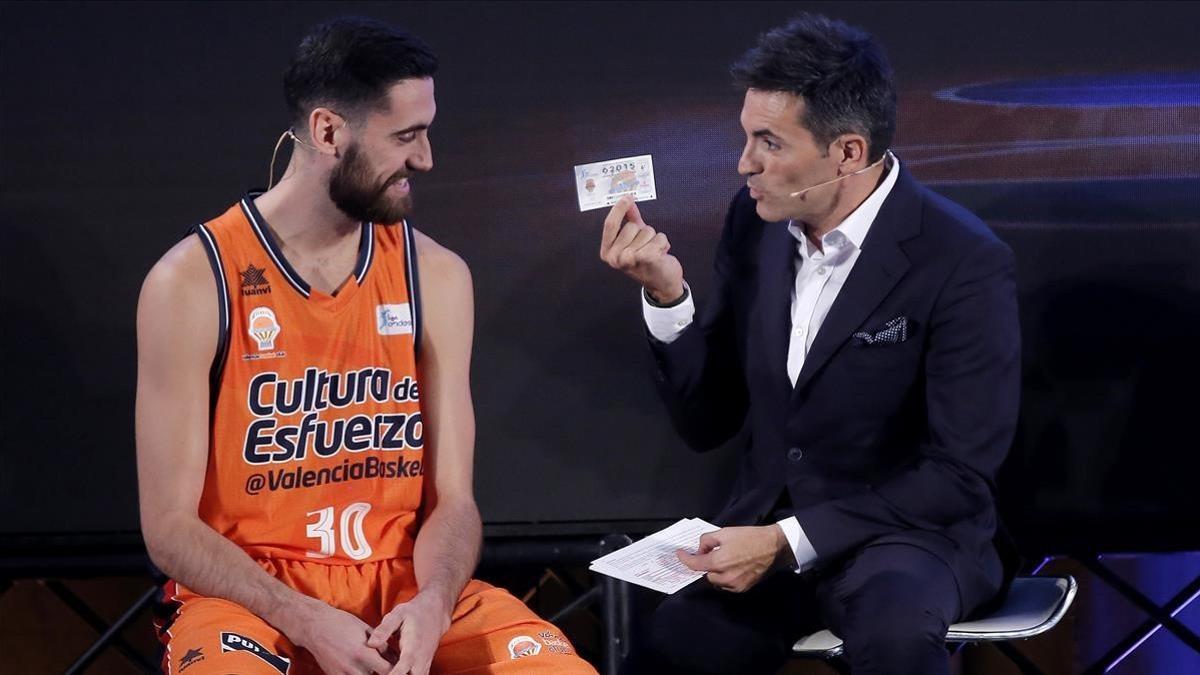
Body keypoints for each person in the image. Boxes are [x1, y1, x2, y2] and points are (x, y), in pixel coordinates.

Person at [136, 17, 595, 675]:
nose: (427, 158)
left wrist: (435, 602)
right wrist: (300, 615)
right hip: (250, 596)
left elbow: (454, 501)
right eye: (406, 136)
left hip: (404, 590)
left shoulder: (435, 274)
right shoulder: (191, 280)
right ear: (328, 131)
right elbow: (170, 528)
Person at [599, 13, 1019, 675]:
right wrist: (667, 296)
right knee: (676, 637)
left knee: (897, 633)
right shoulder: (755, 221)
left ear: (847, 152)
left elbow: (959, 475)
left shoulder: (961, 260)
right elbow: (708, 418)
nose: (744, 164)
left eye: (768, 142)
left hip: (908, 540)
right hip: (767, 531)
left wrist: (786, 540)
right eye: (746, 137)